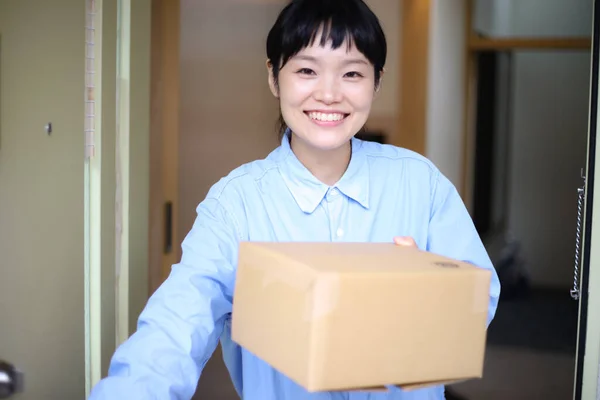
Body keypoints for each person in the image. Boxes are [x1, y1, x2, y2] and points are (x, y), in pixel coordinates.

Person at [89, 0, 500, 398]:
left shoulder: (419, 182)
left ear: (376, 81)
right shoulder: (237, 204)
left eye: (352, 74)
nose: (329, 94)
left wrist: (431, 291)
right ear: (274, 76)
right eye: (306, 70)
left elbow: (478, 299)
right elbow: (177, 324)